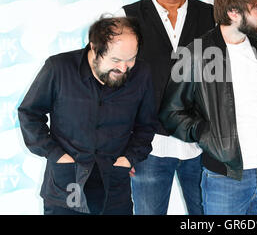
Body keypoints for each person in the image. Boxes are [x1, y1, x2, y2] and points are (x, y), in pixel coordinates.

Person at [159, 0, 257, 215]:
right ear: (233, 12)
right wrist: (204, 133)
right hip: (227, 178)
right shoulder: (195, 53)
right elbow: (171, 112)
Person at [115, 0, 215, 215]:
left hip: (203, 144)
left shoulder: (212, 17)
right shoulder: (128, 17)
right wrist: (122, 146)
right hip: (147, 147)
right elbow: (114, 87)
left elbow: (225, 81)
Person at [18, 16, 160, 215]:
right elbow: (29, 114)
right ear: (94, 48)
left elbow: (146, 125)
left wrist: (129, 158)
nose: (124, 68)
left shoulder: (142, 73)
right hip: (67, 184)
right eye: (116, 60)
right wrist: (55, 154)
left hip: (114, 186)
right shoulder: (58, 68)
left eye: (131, 59)